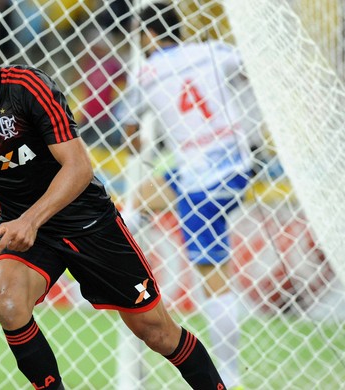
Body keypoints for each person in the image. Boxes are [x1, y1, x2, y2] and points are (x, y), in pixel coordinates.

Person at [0, 11, 226, 390]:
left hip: (87, 221)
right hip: (26, 226)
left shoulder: (27, 89)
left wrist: (30, 220)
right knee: (8, 303)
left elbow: (78, 168)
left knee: (157, 332)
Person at [119, 3, 261, 388]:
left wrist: (137, 137)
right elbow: (251, 70)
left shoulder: (146, 72)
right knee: (140, 200)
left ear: (146, 36)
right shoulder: (214, 51)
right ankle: (120, 267)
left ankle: (229, 375)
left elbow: (127, 126)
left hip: (204, 183)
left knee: (212, 275)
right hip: (235, 164)